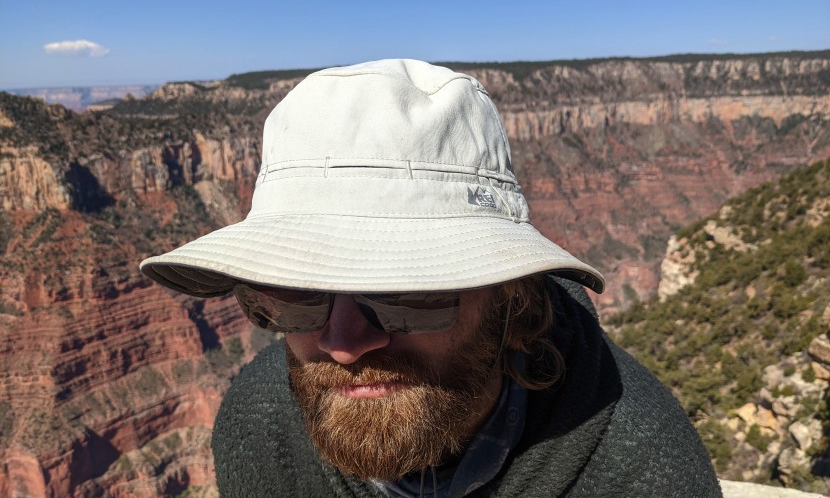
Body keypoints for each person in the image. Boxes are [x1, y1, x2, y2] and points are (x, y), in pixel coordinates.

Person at [141, 59, 722, 497]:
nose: (342, 343)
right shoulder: (262, 427)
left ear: (513, 299)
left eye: (406, 289)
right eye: (294, 293)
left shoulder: (641, 471)